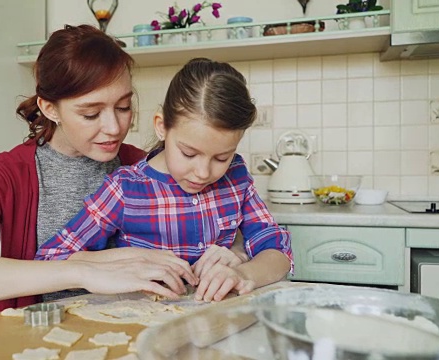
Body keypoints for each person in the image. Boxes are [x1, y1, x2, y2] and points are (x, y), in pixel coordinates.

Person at [0, 25, 204, 312]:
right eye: (91, 114)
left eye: (124, 107)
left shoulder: (144, 165)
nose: (114, 127)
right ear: (50, 109)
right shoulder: (9, 174)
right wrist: (79, 271)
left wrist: (232, 256)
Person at [36, 58, 293, 302]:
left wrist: (244, 273)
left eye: (221, 157)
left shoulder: (236, 176)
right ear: (161, 126)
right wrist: (129, 260)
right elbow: (52, 258)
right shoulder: (126, 188)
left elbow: (278, 252)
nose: (203, 172)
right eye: (189, 153)